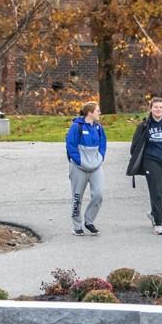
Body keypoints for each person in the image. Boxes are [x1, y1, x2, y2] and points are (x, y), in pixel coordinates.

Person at [126, 97, 162, 235]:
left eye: (161, 107)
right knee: (157, 192)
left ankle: (153, 212)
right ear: (151, 109)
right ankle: (158, 224)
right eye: (156, 107)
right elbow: (134, 146)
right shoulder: (144, 126)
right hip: (151, 161)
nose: (158, 110)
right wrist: (139, 159)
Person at [65, 101, 107, 236]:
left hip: (96, 166)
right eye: (97, 110)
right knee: (77, 197)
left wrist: (100, 158)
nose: (99, 113)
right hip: (79, 167)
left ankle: (89, 221)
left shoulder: (98, 128)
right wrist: (80, 161)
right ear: (90, 112)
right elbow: (71, 146)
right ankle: (77, 225)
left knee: (99, 194)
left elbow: (103, 144)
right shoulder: (76, 127)